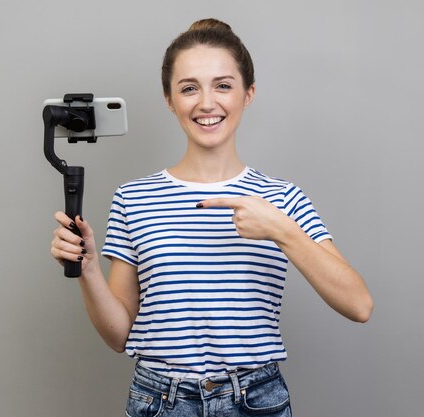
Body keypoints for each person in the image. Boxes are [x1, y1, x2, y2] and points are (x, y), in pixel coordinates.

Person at [50, 18, 373, 417]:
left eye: (223, 85)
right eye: (189, 88)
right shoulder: (133, 199)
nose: (206, 103)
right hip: (161, 402)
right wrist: (89, 270)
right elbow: (118, 336)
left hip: (255, 401)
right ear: (170, 100)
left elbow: (359, 305)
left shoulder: (282, 199)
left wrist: (282, 231)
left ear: (248, 93)